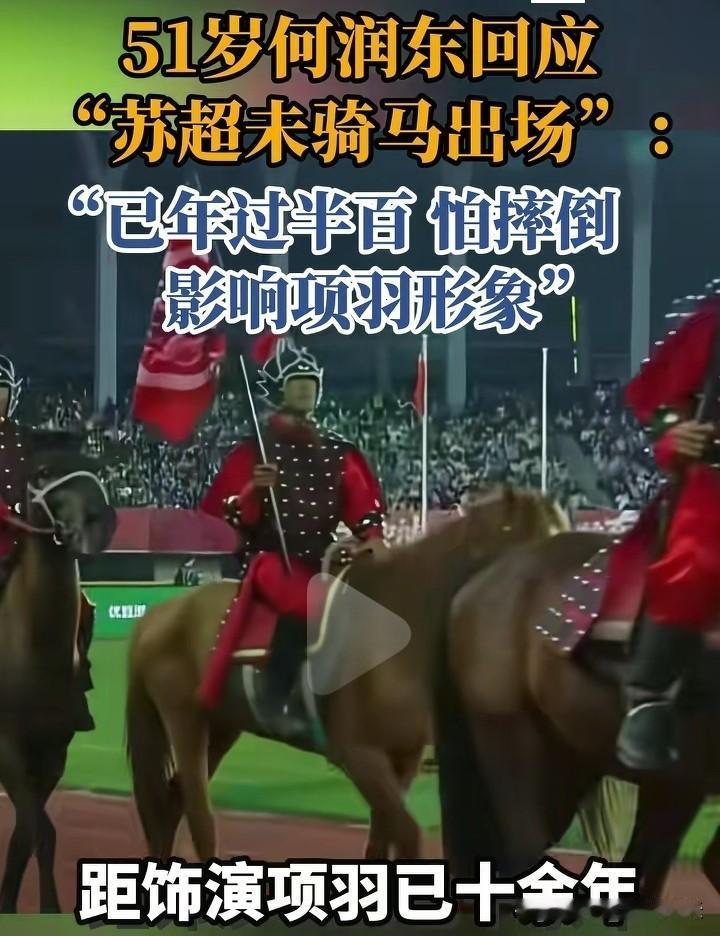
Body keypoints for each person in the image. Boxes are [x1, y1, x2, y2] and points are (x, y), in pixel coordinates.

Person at [200, 339, 386, 735]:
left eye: (310, 382)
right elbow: (225, 515)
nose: (304, 389)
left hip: (325, 556)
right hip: (273, 557)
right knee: (310, 605)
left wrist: (370, 538)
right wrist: (254, 489)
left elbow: (364, 509)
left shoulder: (340, 452)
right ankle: (276, 692)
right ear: (279, 390)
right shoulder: (254, 452)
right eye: (296, 382)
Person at [615, 295, 720, 770]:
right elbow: (656, 400)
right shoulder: (712, 323)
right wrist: (675, 432)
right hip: (714, 482)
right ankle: (648, 694)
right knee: (695, 561)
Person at [0, 354, 95, 731]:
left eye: (2, 390)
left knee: (81, 605)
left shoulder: (27, 440)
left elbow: (45, 482)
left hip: (27, 541)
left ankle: (75, 685)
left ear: (13, 395)